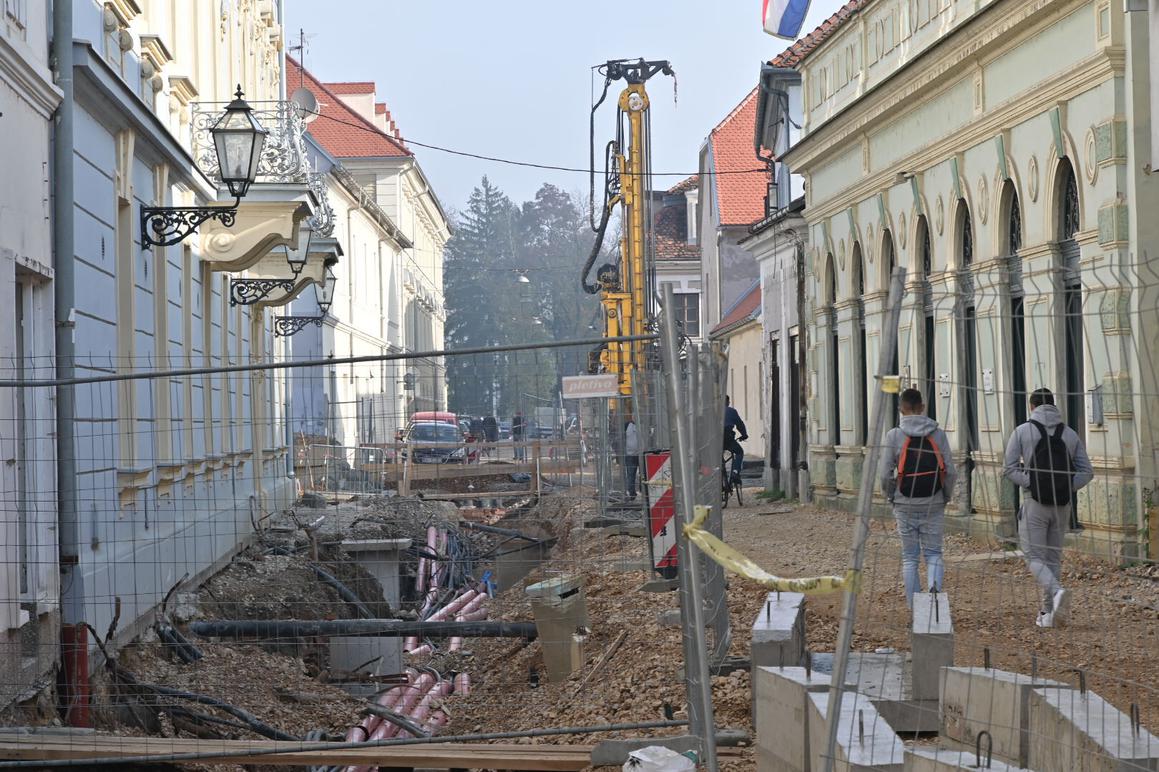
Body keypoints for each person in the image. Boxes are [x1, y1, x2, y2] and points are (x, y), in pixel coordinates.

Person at [1003, 388, 1092, 628]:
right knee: (1053, 558)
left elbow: (1009, 468)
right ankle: (1047, 613)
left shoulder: (1022, 431)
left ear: (1032, 406)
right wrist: (1064, 487)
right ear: (1053, 405)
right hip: (1062, 506)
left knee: (1033, 556)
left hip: (1034, 502)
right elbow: (1087, 471)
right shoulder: (1070, 434)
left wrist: (1033, 483)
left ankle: (1056, 591)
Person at [881, 388, 957, 608]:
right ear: (922, 407)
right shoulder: (938, 434)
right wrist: (945, 496)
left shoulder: (894, 435)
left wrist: (892, 497)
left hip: (904, 503)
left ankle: (916, 610)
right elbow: (950, 471)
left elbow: (885, 474)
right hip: (933, 502)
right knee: (934, 554)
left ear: (901, 409)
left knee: (910, 558)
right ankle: (933, 604)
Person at [723, 395, 748, 483]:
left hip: (714, 440)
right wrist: (744, 435)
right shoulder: (731, 411)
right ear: (727, 402)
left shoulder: (711, 411)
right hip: (728, 438)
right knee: (739, 452)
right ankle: (735, 472)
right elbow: (739, 424)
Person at [623, 416, 640, 501]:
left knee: (643, 475)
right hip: (630, 455)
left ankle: (644, 491)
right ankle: (632, 494)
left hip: (642, 454)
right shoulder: (627, 425)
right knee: (631, 475)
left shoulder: (643, 425)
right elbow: (622, 438)